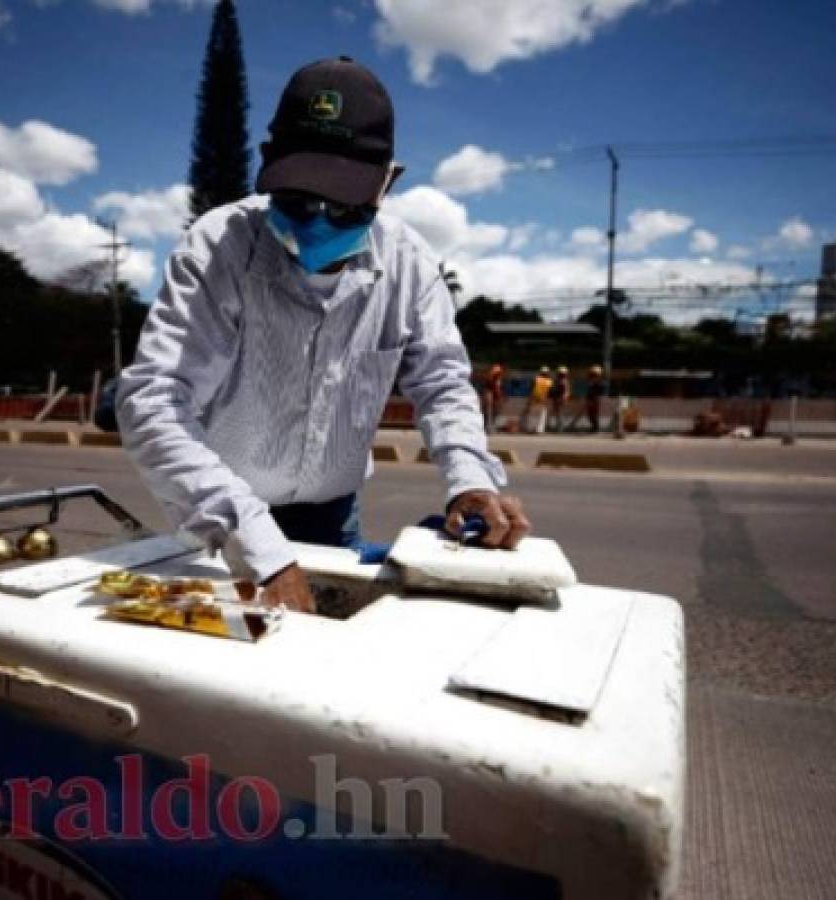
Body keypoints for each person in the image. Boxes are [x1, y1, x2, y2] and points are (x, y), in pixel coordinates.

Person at [116, 57, 531, 614]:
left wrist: (470, 480)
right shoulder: (219, 247)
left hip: (331, 511)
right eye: (296, 200)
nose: (316, 221)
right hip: (221, 507)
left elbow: (442, 383)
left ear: (387, 182)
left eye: (341, 205)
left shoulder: (409, 263)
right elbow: (154, 401)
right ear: (268, 165)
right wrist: (260, 546)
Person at [522, 366, 552, 433]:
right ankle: (539, 430)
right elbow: (549, 392)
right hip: (543, 400)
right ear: (547, 373)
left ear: (541, 372)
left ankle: (530, 428)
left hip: (534, 399)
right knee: (542, 415)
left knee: (532, 414)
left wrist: (529, 400)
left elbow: (531, 390)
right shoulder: (549, 381)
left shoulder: (536, 379)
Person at [549, 365, 571, 433]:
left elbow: (566, 391)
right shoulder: (560, 381)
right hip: (557, 399)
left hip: (559, 399)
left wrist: (564, 398)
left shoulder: (562, 381)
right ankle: (559, 427)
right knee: (558, 414)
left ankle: (560, 428)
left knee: (559, 414)